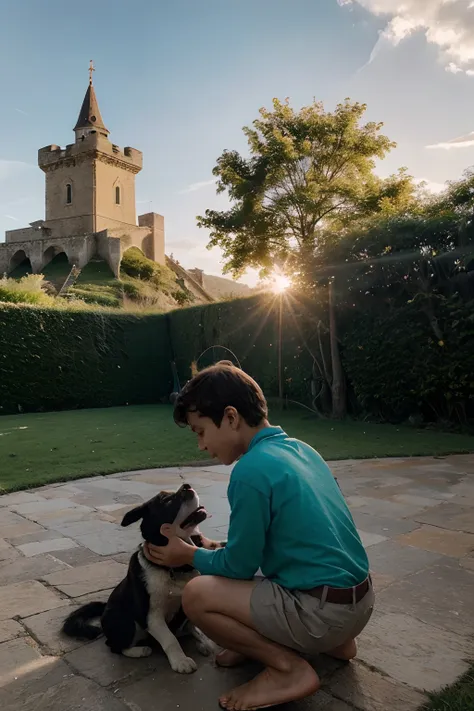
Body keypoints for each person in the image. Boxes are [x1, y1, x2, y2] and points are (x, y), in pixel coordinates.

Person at [145, 362, 374, 710]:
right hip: (360, 607)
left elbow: (238, 567)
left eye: (200, 431)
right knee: (243, 574)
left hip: (323, 616)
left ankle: (287, 669)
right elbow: (283, 541)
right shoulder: (302, 450)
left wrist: (189, 555)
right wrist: (210, 548)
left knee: (197, 595)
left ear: (232, 418)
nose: (201, 445)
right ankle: (329, 643)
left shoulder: (250, 470)